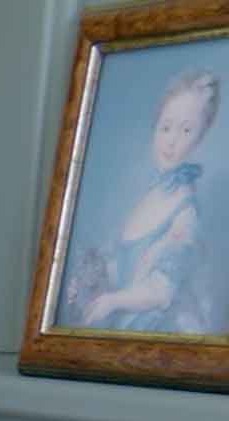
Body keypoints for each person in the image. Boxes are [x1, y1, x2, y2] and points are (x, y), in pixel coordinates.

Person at [67, 68, 221, 334]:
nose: (171, 141)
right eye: (166, 127)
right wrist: (86, 283)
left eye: (186, 131)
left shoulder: (186, 212)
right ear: (155, 127)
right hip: (127, 319)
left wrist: (113, 301)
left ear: (200, 137)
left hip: (160, 326)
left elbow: (161, 291)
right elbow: (127, 265)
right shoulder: (151, 194)